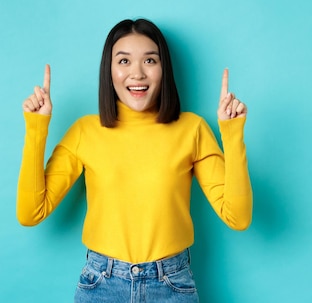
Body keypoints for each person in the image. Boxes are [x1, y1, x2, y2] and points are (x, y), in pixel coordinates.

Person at [17, 18, 252, 303]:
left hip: (172, 285)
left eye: (150, 60)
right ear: (109, 70)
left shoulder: (192, 129)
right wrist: (36, 128)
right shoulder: (85, 132)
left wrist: (231, 132)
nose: (137, 73)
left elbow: (238, 217)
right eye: (124, 61)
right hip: (101, 285)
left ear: (163, 69)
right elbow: (30, 212)